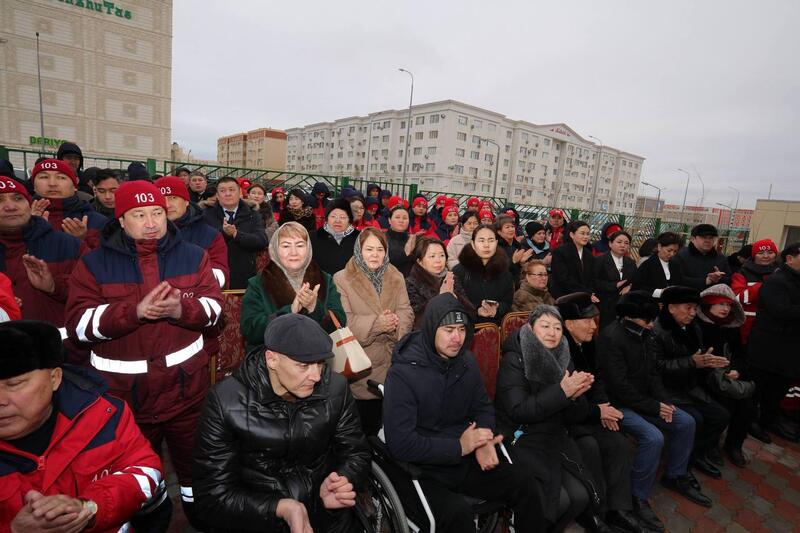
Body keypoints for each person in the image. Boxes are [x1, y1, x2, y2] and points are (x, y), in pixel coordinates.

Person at [66, 180, 224, 526]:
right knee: (137, 470)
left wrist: (182, 310)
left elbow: (216, 312)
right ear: (121, 220)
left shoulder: (194, 256)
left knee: (194, 466)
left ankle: (199, 515)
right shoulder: (93, 264)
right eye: (139, 215)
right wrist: (133, 312)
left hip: (187, 392)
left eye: (157, 213)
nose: (151, 222)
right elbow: (78, 326)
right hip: (125, 399)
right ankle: (152, 515)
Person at [192, 314, 371, 533]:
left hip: (329, 518)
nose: (316, 376)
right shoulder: (225, 402)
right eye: (303, 366)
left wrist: (342, 480)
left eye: (320, 363)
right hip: (260, 521)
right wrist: (278, 508)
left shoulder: (336, 388)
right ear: (272, 359)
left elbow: (356, 452)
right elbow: (212, 497)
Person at [383, 293, 546, 533]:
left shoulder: (466, 361)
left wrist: (483, 440)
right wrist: (459, 447)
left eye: (461, 329)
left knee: (525, 482)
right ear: (431, 329)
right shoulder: (402, 374)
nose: (457, 338)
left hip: (464, 459)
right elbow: (401, 444)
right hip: (423, 469)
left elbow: (482, 407)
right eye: (448, 330)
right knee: (458, 514)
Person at [0, 320, 169, 533]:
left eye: (14, 384)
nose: (1, 400)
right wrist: (13, 530)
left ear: (54, 378)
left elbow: (145, 469)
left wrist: (89, 507)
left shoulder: (105, 414)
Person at [598, 291, 711, 532]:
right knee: (653, 437)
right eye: (646, 320)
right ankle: (636, 497)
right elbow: (619, 386)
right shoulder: (611, 338)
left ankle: (675, 475)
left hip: (646, 400)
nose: (651, 324)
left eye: (652, 320)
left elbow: (653, 374)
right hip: (619, 404)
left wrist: (664, 402)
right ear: (629, 317)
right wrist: (655, 407)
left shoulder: (645, 334)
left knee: (686, 421)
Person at [494, 304, 599, 532]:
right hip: (520, 437)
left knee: (580, 496)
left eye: (557, 327)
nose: (552, 333)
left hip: (553, 435)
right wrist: (562, 393)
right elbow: (518, 410)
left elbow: (574, 416)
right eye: (545, 326)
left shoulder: (563, 357)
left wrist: (574, 398)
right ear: (531, 329)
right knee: (558, 501)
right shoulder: (515, 359)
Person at [556, 293, 641, 533]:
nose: (594, 326)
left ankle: (618, 509)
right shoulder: (559, 349)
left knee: (619, 443)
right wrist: (598, 411)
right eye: (588, 321)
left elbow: (598, 379)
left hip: (590, 412)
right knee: (590, 447)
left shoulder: (590, 343)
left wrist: (605, 406)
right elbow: (564, 403)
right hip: (567, 421)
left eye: (595, 320)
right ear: (569, 323)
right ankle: (593, 513)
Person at [333, 227, 413, 435]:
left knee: (391, 431)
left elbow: (405, 310)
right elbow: (344, 321)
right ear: (359, 250)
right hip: (360, 367)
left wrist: (395, 326)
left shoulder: (395, 275)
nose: (375, 254)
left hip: (392, 362)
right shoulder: (342, 279)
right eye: (369, 249)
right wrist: (377, 324)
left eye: (380, 249)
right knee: (362, 432)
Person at [648, 286, 731, 479]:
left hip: (689, 387)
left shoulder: (693, 328)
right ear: (671, 308)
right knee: (696, 420)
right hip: (666, 390)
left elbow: (698, 357)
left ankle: (697, 455)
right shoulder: (657, 331)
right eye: (688, 308)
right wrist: (693, 362)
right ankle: (680, 469)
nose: (693, 313)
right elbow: (656, 367)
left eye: (695, 308)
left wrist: (708, 362)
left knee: (721, 415)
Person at [0, 175, 84, 340]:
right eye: (0, 200)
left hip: (59, 349)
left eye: (18, 198)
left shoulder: (69, 244)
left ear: (29, 203)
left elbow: (95, 293)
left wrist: (54, 286)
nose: (10, 206)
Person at [241, 221, 346, 347]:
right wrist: (289, 311)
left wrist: (314, 308)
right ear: (275, 249)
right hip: (274, 353)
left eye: (300, 245)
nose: (293, 252)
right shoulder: (258, 283)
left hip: (317, 352)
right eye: (286, 246)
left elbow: (340, 322)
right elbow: (249, 329)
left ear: (308, 248)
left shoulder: (325, 279)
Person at [696, 284, 756, 467]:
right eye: (721, 304)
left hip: (728, 374)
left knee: (747, 404)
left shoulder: (731, 326)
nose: (726, 309)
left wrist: (737, 370)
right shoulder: (697, 325)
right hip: (704, 376)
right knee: (724, 403)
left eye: (728, 305)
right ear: (709, 304)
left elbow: (739, 353)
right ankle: (711, 444)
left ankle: (734, 445)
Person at [746, 242, 800, 442]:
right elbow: (781, 310)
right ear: (790, 258)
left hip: (790, 349)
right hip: (768, 348)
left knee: (779, 388)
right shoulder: (777, 281)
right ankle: (752, 422)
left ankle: (769, 420)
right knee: (760, 388)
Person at [155, 176, 229, 290]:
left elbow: (221, 277)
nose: (167, 204)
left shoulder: (210, 235)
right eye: (161, 198)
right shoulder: (141, 234)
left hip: (194, 297)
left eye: (173, 198)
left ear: (186, 201)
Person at [202, 176, 268, 290]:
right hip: (214, 276)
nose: (227, 194)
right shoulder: (206, 215)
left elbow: (261, 240)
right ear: (217, 195)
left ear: (240, 193)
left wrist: (236, 234)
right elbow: (201, 241)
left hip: (245, 276)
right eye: (223, 191)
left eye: (232, 190)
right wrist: (223, 232)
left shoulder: (252, 214)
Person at [29, 159, 108, 250]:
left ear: (75, 185)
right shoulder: (19, 216)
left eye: (61, 177)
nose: (52, 183)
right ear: (34, 185)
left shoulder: (96, 221)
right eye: (44, 177)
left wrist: (80, 241)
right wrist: (27, 230)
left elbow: (106, 257)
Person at [405, 236, 473, 329]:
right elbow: (417, 322)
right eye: (432, 256)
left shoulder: (451, 278)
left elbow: (471, 313)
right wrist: (441, 298)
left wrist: (456, 297)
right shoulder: (411, 284)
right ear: (419, 261)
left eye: (442, 255)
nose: (438, 260)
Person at [452, 224, 514, 325]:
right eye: (481, 241)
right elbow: (455, 302)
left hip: (496, 327)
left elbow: (507, 301)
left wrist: (497, 309)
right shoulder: (459, 271)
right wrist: (476, 310)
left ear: (496, 243)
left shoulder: (504, 271)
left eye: (491, 240)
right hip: (466, 327)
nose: (486, 245)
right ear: (473, 244)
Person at [731, 238, 779, 344]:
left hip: (776, 327)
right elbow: (737, 297)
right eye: (760, 253)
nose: (766, 256)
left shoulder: (782, 273)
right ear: (754, 255)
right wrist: (763, 285)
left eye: (770, 252)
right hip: (748, 327)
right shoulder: (742, 274)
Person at [594, 230, 637, 329]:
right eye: (619, 242)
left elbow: (636, 280)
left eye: (626, 243)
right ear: (610, 243)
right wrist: (614, 285)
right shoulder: (600, 260)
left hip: (624, 305)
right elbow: (594, 282)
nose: (623, 245)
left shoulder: (631, 262)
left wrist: (630, 286)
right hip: (605, 304)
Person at [550, 220, 598, 300]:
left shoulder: (589, 254)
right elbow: (562, 278)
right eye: (582, 233)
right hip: (564, 296)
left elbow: (592, 277)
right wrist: (586, 292)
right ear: (572, 235)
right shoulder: (560, 252)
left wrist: (590, 292)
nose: (586, 237)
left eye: (587, 234)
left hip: (585, 296)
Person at [310, 198, 360, 276]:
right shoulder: (313, 237)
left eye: (342, 217)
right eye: (333, 216)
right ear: (327, 218)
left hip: (350, 282)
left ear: (349, 219)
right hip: (321, 282)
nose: (337, 221)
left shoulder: (359, 238)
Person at [676, 224, 731, 290]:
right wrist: (706, 281)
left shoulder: (720, 258)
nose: (707, 241)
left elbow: (729, 279)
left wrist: (719, 278)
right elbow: (677, 280)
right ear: (692, 239)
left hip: (714, 295)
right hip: (687, 294)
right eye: (703, 237)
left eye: (711, 238)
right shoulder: (681, 256)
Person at [631, 232, 684, 298]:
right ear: (659, 247)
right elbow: (637, 287)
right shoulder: (647, 265)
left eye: (675, 251)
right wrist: (659, 292)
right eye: (669, 250)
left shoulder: (675, 265)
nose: (672, 254)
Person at [496, 215, 532, 281]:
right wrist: (513, 261)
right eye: (507, 227)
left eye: (512, 226)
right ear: (499, 232)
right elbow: (497, 269)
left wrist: (522, 263)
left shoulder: (517, 245)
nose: (511, 229)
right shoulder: (496, 247)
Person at [384, 200, 415, 277]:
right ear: (389, 220)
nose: (401, 221)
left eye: (405, 218)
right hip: (388, 278)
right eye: (397, 217)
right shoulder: (382, 238)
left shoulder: (412, 239)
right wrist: (405, 253)